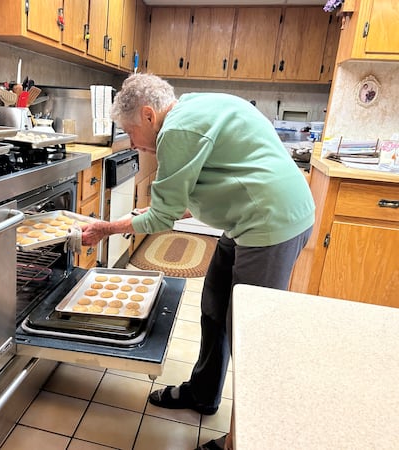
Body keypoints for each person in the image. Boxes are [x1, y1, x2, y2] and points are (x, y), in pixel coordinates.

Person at [81, 73, 315, 450]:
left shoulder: (177, 131)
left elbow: (161, 219)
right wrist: (159, 208)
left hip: (270, 224)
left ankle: (246, 440)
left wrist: (107, 227)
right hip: (248, 218)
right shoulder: (192, 109)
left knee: (251, 336)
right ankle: (203, 394)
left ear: (147, 115)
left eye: (129, 131)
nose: (133, 142)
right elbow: (212, 176)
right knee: (214, 309)